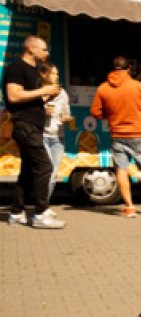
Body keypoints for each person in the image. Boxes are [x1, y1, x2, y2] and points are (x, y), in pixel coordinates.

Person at [90, 56, 141, 218]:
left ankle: (129, 207)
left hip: (117, 134)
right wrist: (139, 111)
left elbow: (95, 113)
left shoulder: (103, 88)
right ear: (129, 69)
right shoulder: (137, 86)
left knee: (121, 169)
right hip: (139, 133)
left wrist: (111, 115)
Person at [3, 35, 64, 228]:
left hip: (32, 124)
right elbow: (13, 96)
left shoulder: (34, 71)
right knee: (45, 166)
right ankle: (40, 214)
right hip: (24, 125)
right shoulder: (16, 68)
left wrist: (42, 104)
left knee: (28, 171)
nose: (47, 53)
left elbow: (27, 99)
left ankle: (16, 212)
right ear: (31, 49)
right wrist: (43, 92)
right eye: (44, 49)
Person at [39, 62, 73, 208]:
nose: (57, 76)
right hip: (41, 136)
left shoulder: (63, 93)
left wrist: (67, 118)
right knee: (44, 173)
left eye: (58, 73)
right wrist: (42, 112)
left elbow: (67, 114)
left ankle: (44, 206)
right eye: (54, 73)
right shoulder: (37, 91)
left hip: (58, 138)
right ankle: (40, 207)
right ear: (44, 75)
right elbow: (28, 113)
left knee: (53, 174)